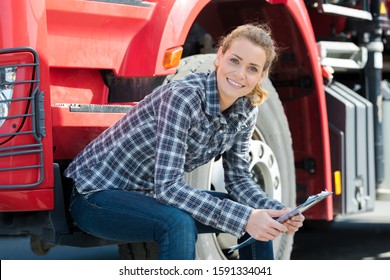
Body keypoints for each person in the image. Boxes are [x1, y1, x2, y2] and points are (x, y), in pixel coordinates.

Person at [64, 23, 304, 260]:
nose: (240, 74)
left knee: (259, 216)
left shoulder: (247, 107)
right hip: (96, 195)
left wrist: (277, 210)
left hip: (148, 197)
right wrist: (244, 217)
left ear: (262, 75)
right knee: (178, 223)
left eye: (252, 68)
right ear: (220, 55)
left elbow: (239, 179)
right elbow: (168, 188)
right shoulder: (183, 97)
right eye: (234, 60)